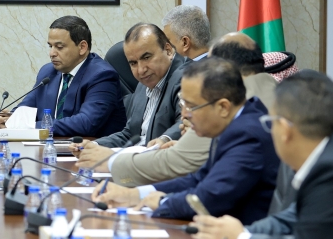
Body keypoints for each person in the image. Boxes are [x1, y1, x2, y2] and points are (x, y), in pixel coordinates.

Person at [93, 58, 279, 225]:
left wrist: (162, 202)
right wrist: (134, 194)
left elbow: (209, 198)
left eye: (191, 106)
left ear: (223, 107)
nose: (184, 115)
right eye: (183, 104)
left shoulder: (247, 134)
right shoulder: (234, 122)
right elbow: (198, 180)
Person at [205, 73, 333, 239]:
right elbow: (295, 221)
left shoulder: (326, 172)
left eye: (270, 123)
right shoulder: (320, 163)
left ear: (285, 129)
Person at [94, 31, 278, 186]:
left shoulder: (233, 104)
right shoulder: (277, 94)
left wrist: (111, 161)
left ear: (222, 71)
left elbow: (175, 162)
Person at [73, 23, 186, 166]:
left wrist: (165, 139)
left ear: (168, 51)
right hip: (136, 164)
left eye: (147, 57)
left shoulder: (187, 77)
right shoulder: (143, 84)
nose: (141, 70)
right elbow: (130, 134)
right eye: (133, 63)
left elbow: (189, 122)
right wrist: (94, 145)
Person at [0, 16, 125, 137]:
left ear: (82, 47)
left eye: (59, 47)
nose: (52, 53)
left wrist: (31, 126)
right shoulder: (47, 72)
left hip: (90, 149)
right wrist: (9, 120)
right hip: (50, 147)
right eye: (50, 46)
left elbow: (86, 123)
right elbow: (26, 108)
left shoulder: (102, 76)